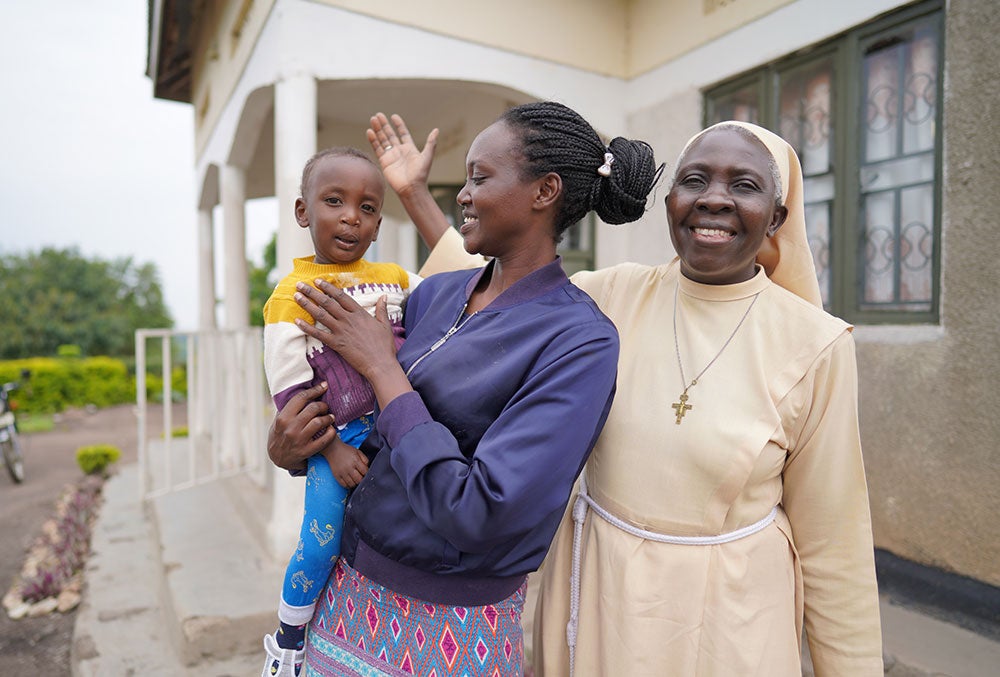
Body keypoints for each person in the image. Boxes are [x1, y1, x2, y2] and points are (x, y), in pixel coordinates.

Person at [362, 116, 884, 675]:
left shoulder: (817, 345)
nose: (714, 199)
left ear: (777, 217)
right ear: (668, 201)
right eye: (694, 180)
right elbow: (491, 280)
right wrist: (415, 195)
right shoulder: (607, 296)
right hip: (593, 599)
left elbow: (835, 549)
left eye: (743, 186)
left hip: (727, 627)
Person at [266, 102, 661, 676]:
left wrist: (384, 368)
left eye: (480, 177)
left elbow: (484, 513)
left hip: (451, 629)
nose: (463, 194)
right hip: (344, 599)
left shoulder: (579, 341)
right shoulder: (434, 295)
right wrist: (295, 447)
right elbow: (370, 436)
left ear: (544, 191)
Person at [260, 147, 421, 677]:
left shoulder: (396, 278)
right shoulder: (291, 297)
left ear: (377, 224)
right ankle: (288, 638)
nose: (352, 216)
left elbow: (454, 298)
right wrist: (332, 449)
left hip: (401, 420)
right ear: (303, 212)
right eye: (334, 201)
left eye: (368, 207)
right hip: (342, 434)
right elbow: (290, 392)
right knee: (321, 536)